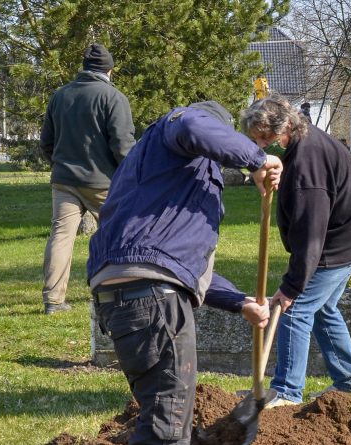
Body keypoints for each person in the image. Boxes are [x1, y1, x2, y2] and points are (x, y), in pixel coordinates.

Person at [86, 100, 282, 444]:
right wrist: (258, 158)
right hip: (153, 302)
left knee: (159, 416)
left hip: (124, 298)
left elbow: (175, 263)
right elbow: (191, 124)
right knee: (168, 431)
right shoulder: (180, 124)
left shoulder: (154, 180)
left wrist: (239, 302)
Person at [240, 95, 351, 409]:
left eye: (265, 136)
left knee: (294, 309)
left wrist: (291, 287)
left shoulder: (307, 162)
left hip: (337, 243)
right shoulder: (302, 142)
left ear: (285, 126)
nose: (260, 144)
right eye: (256, 138)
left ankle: (287, 391)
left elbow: (311, 233)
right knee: (322, 310)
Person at [39, 43, 136, 315]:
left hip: (64, 180)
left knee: (61, 237)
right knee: (119, 234)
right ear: (110, 70)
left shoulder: (60, 95)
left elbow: (46, 142)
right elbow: (122, 146)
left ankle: (53, 300)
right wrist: (131, 176)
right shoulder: (113, 97)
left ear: (83, 68)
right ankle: (120, 290)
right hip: (102, 182)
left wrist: (60, 165)